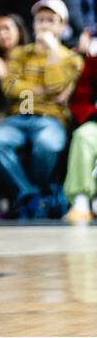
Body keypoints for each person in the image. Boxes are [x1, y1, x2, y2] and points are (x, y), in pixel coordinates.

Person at [0, 0, 83, 219]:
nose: (45, 25)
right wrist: (40, 91)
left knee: (47, 145)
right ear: (33, 24)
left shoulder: (72, 59)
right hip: (20, 115)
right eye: (40, 20)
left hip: (51, 118)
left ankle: (41, 193)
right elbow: (10, 87)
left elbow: (58, 86)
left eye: (51, 20)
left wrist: (52, 53)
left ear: (62, 26)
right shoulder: (20, 54)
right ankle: (31, 194)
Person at [63, 49, 97, 224]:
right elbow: (80, 100)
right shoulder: (93, 62)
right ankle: (81, 200)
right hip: (95, 119)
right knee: (83, 136)